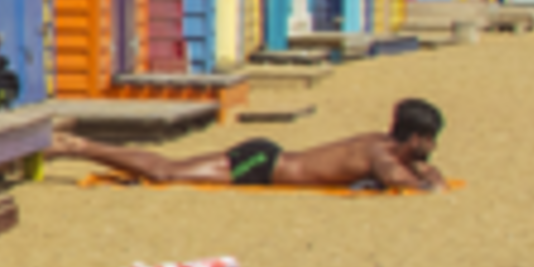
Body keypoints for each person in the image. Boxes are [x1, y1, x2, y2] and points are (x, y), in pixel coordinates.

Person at [50, 97, 447, 192]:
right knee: (166, 171)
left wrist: (423, 167)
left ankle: (80, 146)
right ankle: (79, 146)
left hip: (266, 156)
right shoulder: (381, 156)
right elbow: (415, 186)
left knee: (170, 167)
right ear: (416, 138)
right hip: (260, 165)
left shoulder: (380, 142)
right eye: (430, 140)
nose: (433, 147)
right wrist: (430, 174)